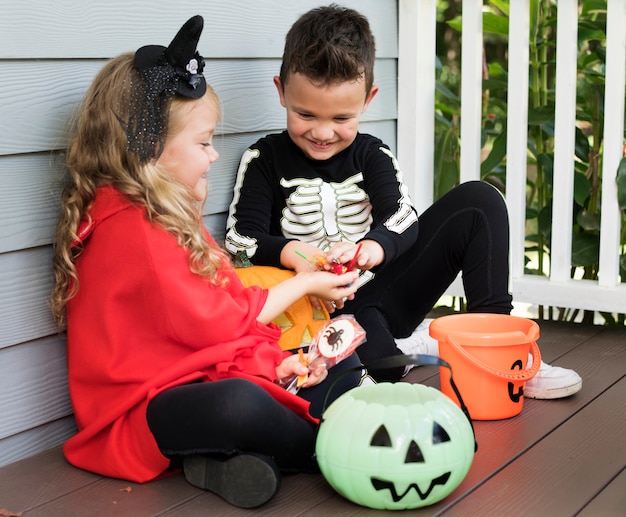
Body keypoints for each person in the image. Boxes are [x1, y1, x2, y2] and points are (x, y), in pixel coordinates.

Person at [49, 15, 362, 509]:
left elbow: (213, 313)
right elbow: (220, 321)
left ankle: (222, 462)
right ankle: (330, 448)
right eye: (203, 143)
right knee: (240, 404)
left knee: (327, 358)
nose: (214, 156)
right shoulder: (134, 229)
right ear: (150, 149)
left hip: (181, 382)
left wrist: (280, 364)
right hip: (138, 415)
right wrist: (303, 288)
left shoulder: (154, 214)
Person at [225, 4, 582, 398]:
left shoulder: (371, 154)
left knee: (480, 201)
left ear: (368, 99)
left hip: (380, 288)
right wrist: (295, 254)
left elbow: (402, 216)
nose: (323, 132)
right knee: (383, 372)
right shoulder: (265, 160)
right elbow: (241, 241)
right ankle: (412, 345)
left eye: (341, 118)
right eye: (305, 114)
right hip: (319, 314)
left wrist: (373, 247)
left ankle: (502, 347)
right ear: (281, 92)